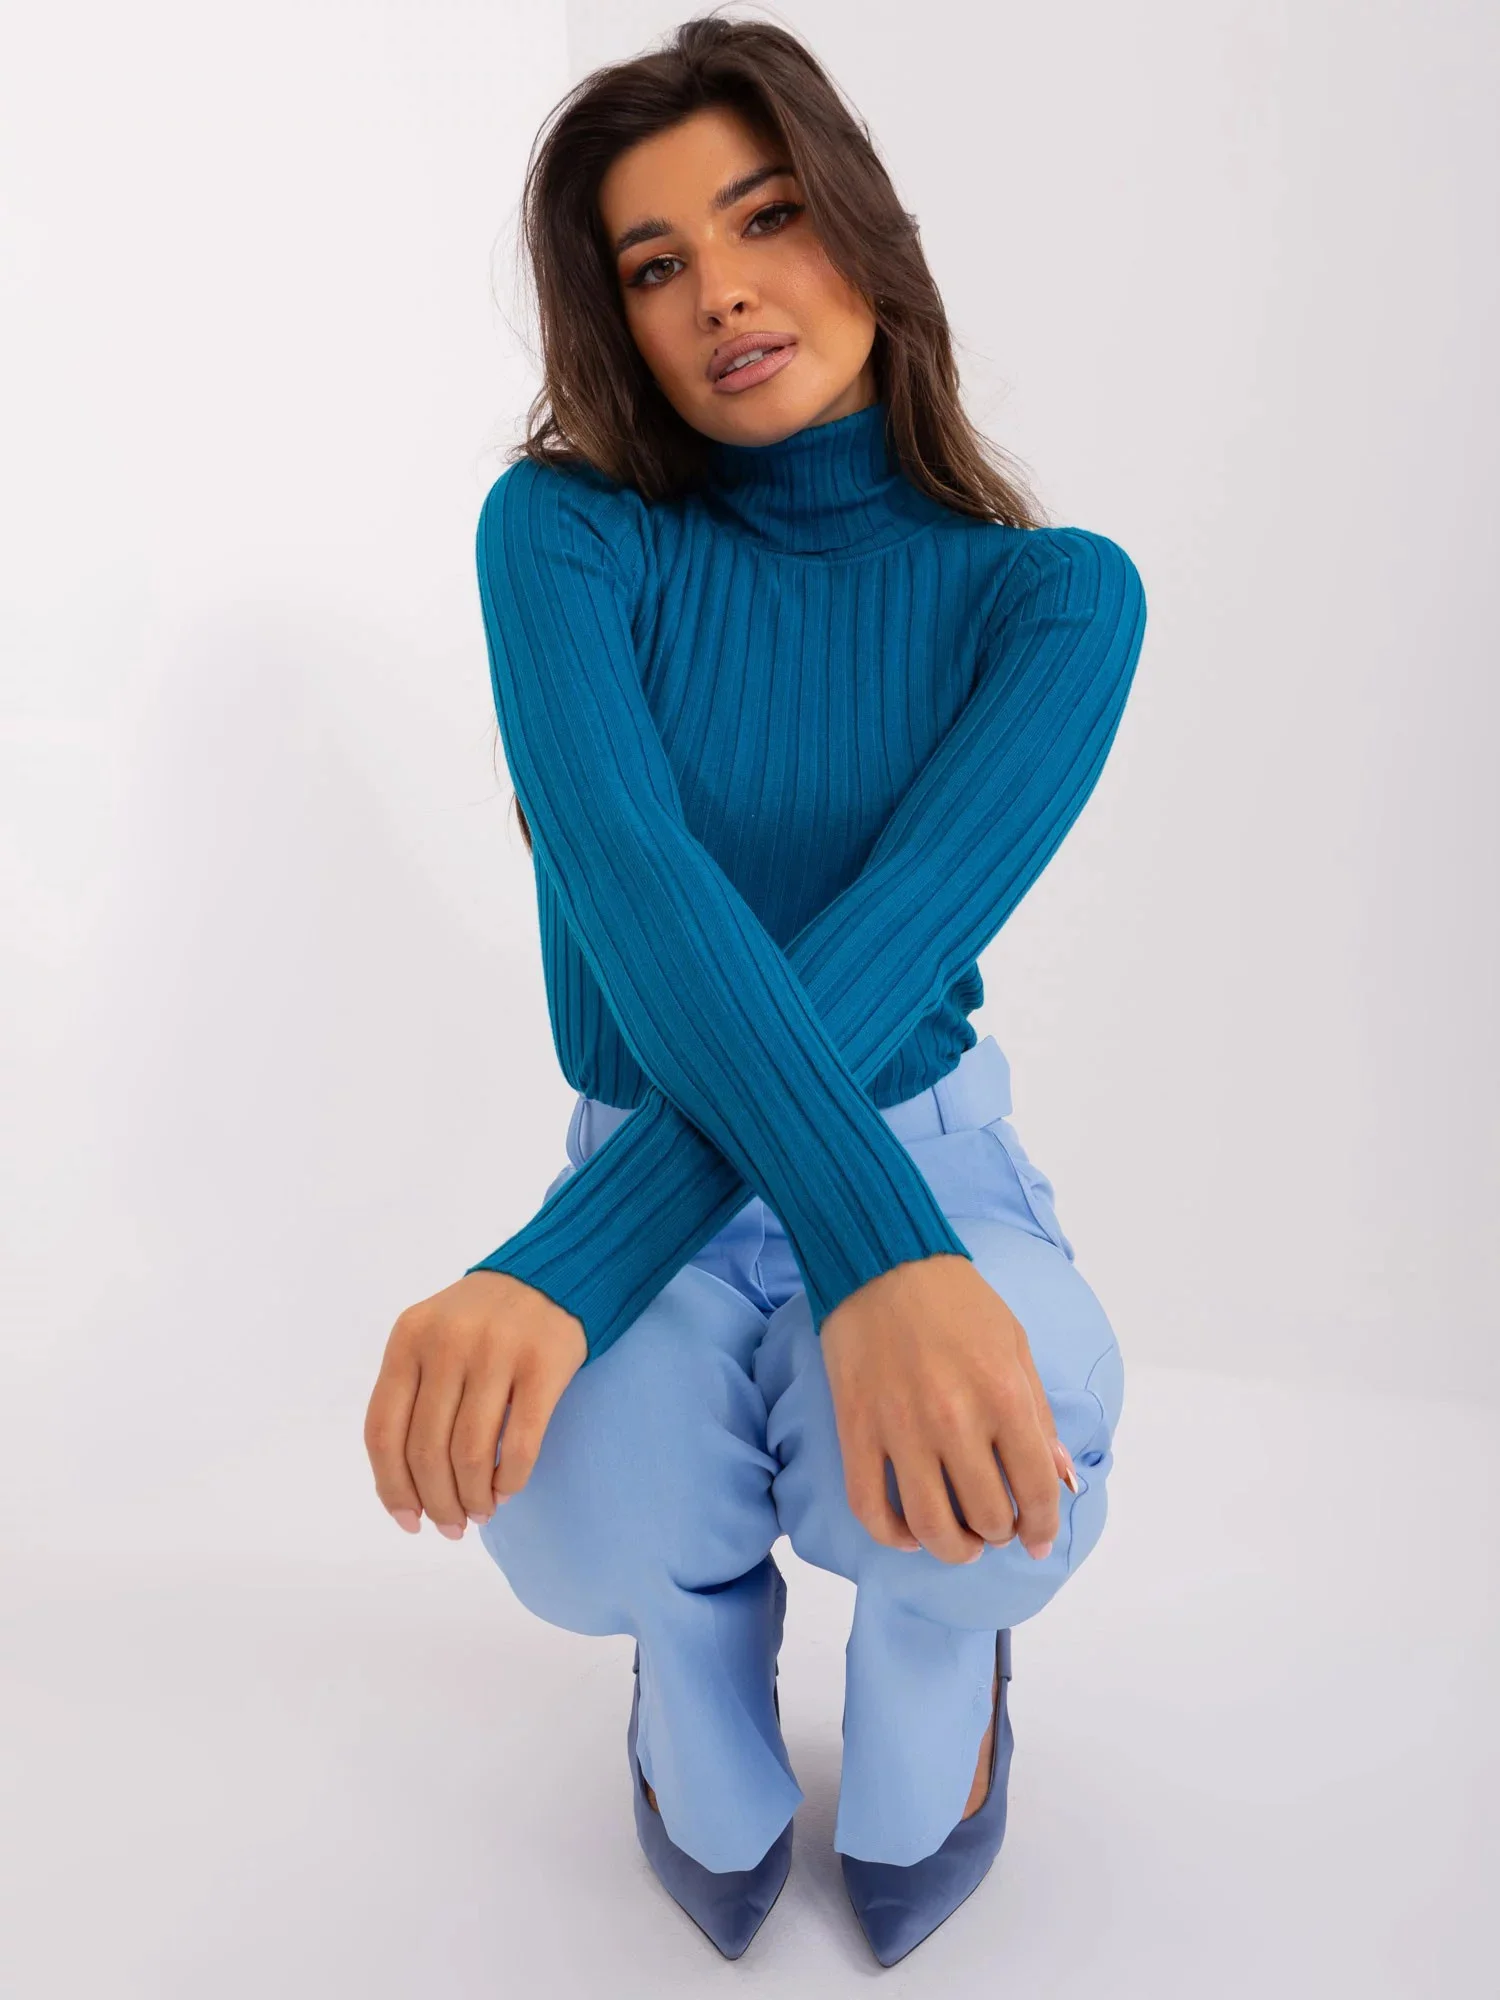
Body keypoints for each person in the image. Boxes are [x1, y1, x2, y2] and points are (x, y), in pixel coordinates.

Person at [364, 11, 1147, 1968]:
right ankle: (689, 1660)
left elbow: (894, 934)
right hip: (652, 1158)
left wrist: (878, 1247)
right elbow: (637, 884)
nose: (720, 289)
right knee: (575, 1478)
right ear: (617, 322)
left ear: (861, 226)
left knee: (1013, 1408)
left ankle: (938, 1674)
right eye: (654, 264)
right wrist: (593, 1262)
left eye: (765, 215)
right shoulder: (566, 537)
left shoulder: (1051, 597)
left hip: (924, 1157)